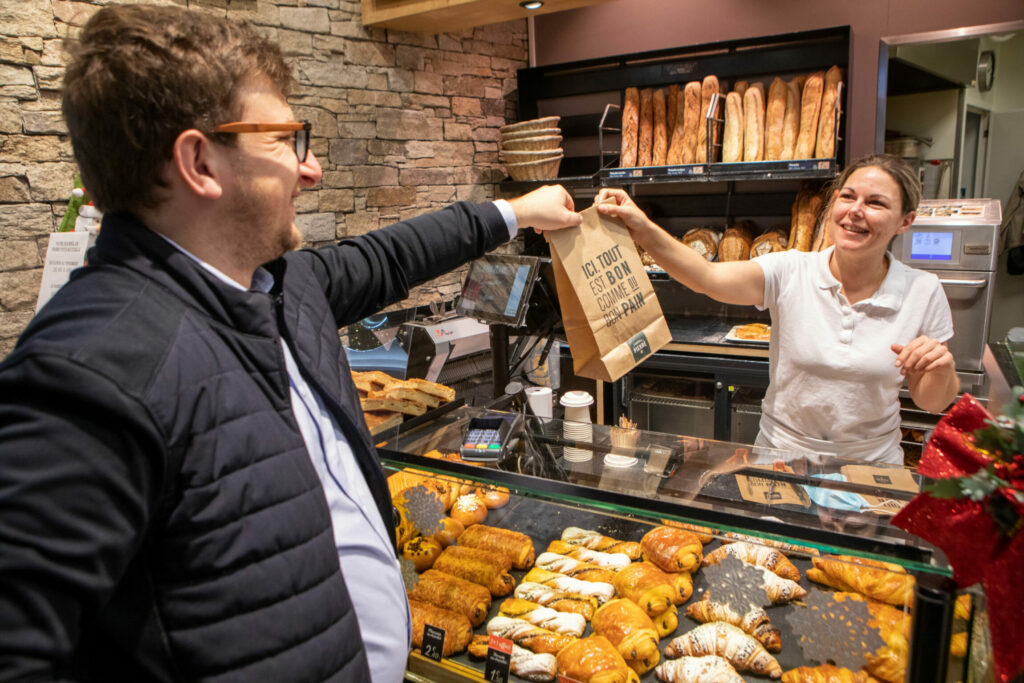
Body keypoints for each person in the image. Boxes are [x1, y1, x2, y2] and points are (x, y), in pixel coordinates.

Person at [0, 5, 581, 682]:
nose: (311, 172)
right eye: (286, 140)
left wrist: (517, 211)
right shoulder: (94, 365)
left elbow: (390, 256)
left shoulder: (280, 284)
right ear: (198, 161)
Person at [595, 154, 958, 464]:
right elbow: (705, 275)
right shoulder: (791, 270)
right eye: (847, 197)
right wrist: (640, 226)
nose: (855, 212)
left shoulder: (921, 291)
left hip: (868, 468)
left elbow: (932, 401)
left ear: (905, 220)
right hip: (781, 459)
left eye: (876, 203)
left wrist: (942, 369)